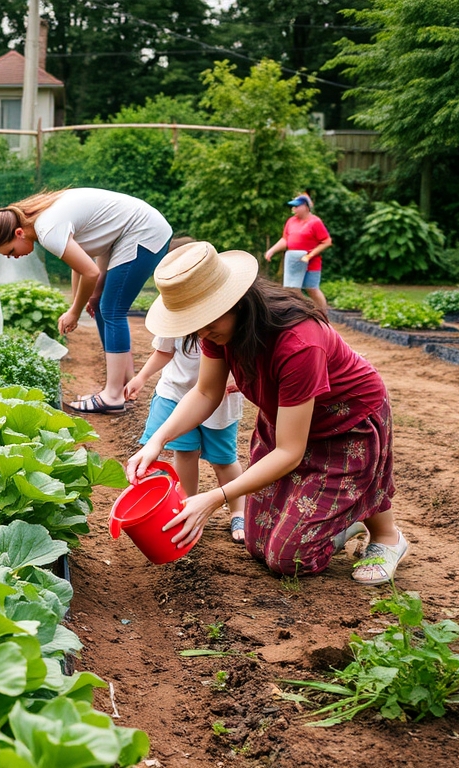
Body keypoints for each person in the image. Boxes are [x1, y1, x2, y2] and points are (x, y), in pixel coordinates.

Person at [126, 241, 408, 585]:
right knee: (259, 545)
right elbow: (205, 392)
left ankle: (387, 537)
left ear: (235, 301)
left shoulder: (298, 342)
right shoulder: (218, 329)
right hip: (289, 418)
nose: (200, 332)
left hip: (345, 422)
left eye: (204, 320)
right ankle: (339, 520)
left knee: (288, 559)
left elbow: (290, 451)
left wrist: (216, 498)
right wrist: (157, 441)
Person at [0, 188, 173, 415]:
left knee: (112, 310)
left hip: (143, 231)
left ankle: (112, 396)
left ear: (19, 233)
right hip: (125, 234)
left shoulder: (48, 230)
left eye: (10, 251)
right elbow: (80, 265)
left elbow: (90, 272)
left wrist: (75, 311)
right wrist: (83, 299)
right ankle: (123, 385)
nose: (12, 257)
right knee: (104, 306)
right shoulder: (43, 219)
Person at [124, 332, 248, 543]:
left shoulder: (223, 323)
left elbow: (248, 356)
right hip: (175, 394)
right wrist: (141, 377)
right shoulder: (174, 318)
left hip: (220, 398)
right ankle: (187, 506)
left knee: (223, 460)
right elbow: (164, 351)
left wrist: (243, 378)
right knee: (184, 452)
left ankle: (238, 512)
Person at [264, 193, 331, 311]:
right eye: (292, 207)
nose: (293, 209)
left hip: (311, 262)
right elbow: (286, 240)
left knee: (311, 288)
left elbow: (326, 241)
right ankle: (306, 310)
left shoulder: (315, 222)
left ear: (305, 207)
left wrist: (310, 255)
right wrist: (272, 250)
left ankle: (323, 314)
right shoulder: (291, 221)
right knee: (292, 289)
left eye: (296, 206)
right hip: (294, 261)